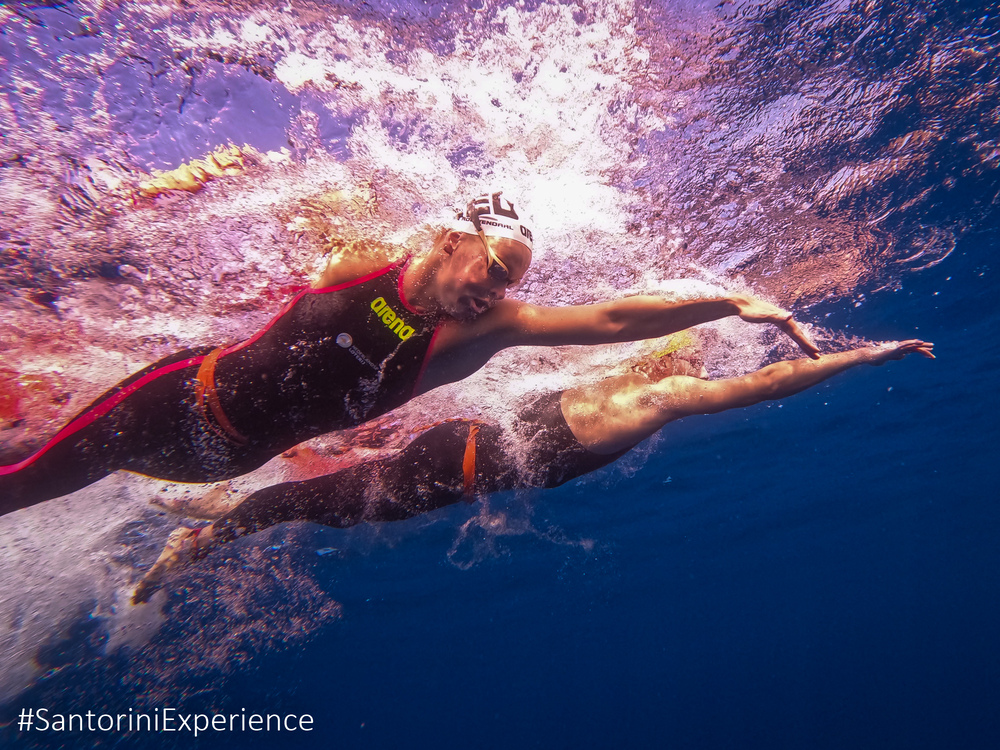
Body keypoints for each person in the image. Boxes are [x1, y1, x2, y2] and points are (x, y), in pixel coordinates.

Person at [0, 191, 818, 516]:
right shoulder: (363, 262)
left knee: (32, 461)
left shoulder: (481, 334)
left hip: (223, 461)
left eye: (508, 284)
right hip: (175, 400)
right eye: (493, 271)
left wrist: (730, 301)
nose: (495, 292)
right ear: (451, 240)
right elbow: (279, 260)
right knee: (24, 483)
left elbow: (606, 321)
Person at [132, 335, 934, 603]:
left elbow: (757, 382)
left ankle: (201, 519)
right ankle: (202, 530)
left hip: (449, 453)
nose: (689, 367)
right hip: (447, 461)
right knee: (313, 495)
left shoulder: (629, 386)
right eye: (687, 356)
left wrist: (861, 355)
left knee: (314, 486)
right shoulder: (639, 391)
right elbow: (756, 377)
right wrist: (864, 353)